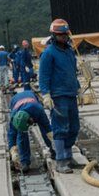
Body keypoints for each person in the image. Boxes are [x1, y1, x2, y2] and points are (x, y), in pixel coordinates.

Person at [38, 19, 82, 173]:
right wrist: (46, 95)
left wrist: (78, 89)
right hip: (58, 96)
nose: (63, 37)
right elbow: (43, 76)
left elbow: (72, 71)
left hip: (70, 94)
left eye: (65, 34)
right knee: (60, 128)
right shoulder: (49, 53)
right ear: (54, 35)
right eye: (60, 35)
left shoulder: (69, 51)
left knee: (74, 127)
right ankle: (61, 160)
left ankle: (69, 157)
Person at [7, 86, 55, 173]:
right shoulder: (14, 118)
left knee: (44, 130)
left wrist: (53, 142)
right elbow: (11, 134)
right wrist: (13, 151)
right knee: (22, 136)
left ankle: (52, 149)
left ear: (31, 119)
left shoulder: (38, 110)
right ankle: (24, 161)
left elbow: (47, 127)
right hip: (15, 100)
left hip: (30, 95)